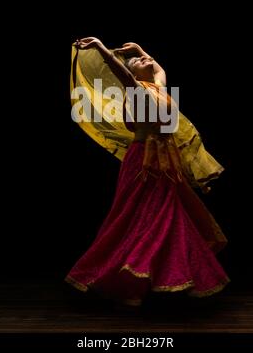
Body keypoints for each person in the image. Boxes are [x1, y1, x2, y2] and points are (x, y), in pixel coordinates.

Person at [65, 37, 230, 308]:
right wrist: (100, 47)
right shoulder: (134, 88)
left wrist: (141, 51)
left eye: (146, 60)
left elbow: (159, 68)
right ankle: (126, 273)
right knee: (138, 214)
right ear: (133, 71)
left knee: (170, 213)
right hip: (142, 161)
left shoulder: (159, 86)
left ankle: (171, 275)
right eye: (140, 61)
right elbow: (122, 71)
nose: (147, 61)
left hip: (166, 160)